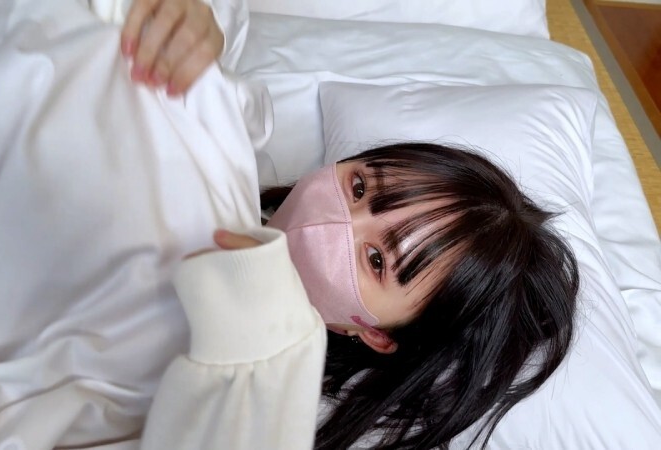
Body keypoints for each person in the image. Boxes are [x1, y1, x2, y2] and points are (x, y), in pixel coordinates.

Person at [114, 1, 578, 449]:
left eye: (376, 261)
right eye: (359, 188)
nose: (335, 221)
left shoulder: (285, 409)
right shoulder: (238, 164)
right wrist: (201, 29)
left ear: (376, 334)